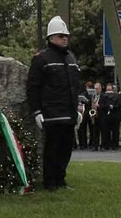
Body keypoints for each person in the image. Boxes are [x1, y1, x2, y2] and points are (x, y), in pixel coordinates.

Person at [27, 16, 84, 191]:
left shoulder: (71, 58)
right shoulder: (41, 58)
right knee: (52, 149)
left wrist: (80, 105)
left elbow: (76, 84)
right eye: (60, 35)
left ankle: (61, 179)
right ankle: (50, 181)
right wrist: (37, 111)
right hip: (52, 112)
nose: (64, 38)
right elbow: (33, 87)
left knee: (66, 149)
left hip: (69, 111)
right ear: (51, 38)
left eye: (65, 35)